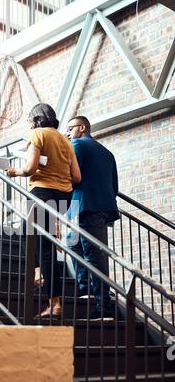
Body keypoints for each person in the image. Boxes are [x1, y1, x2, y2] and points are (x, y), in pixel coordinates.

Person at [6, 103, 81, 317]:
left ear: (36, 119)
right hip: (64, 196)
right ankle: (38, 274)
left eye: (30, 120)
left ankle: (54, 302)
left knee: (37, 242)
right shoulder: (66, 141)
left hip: (42, 193)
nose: (29, 124)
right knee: (28, 235)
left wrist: (14, 171)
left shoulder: (37, 134)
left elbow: (29, 168)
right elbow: (77, 177)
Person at [66, 115, 119, 319]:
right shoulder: (107, 153)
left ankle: (103, 306)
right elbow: (115, 186)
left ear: (82, 127)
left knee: (94, 256)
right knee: (73, 245)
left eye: (70, 129)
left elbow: (72, 175)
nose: (68, 133)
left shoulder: (77, 144)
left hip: (85, 205)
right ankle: (85, 289)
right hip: (99, 206)